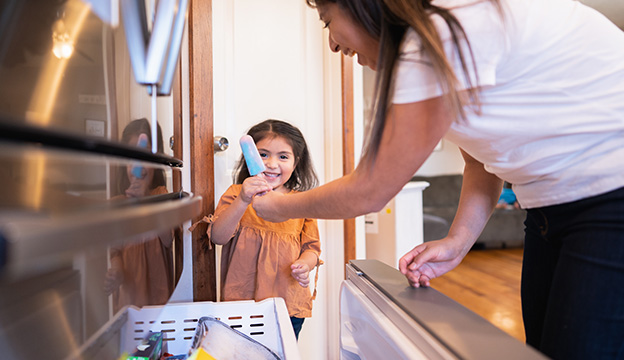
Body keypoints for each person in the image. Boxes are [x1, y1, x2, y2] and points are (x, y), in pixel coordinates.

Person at [251, 0, 624, 358]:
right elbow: (479, 161)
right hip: (550, 210)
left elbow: (371, 189)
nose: (332, 43)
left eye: (328, 22)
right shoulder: (427, 46)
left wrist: (278, 206)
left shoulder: (442, 29)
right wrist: (458, 243)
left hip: (609, 197)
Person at [206, 119, 321, 340]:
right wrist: (242, 199)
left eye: (283, 156)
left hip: (287, 307)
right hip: (241, 305)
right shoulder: (236, 193)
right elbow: (218, 237)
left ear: (296, 163)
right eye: (263, 154)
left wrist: (305, 266)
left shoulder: (302, 203)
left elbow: (312, 249)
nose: (271, 163)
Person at [104, 118, 175, 314]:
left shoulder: (162, 196)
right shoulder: (118, 205)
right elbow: (115, 251)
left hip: (158, 296)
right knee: (130, 341)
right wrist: (116, 271)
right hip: (129, 295)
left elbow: (168, 239)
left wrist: (145, 199)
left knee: (158, 339)